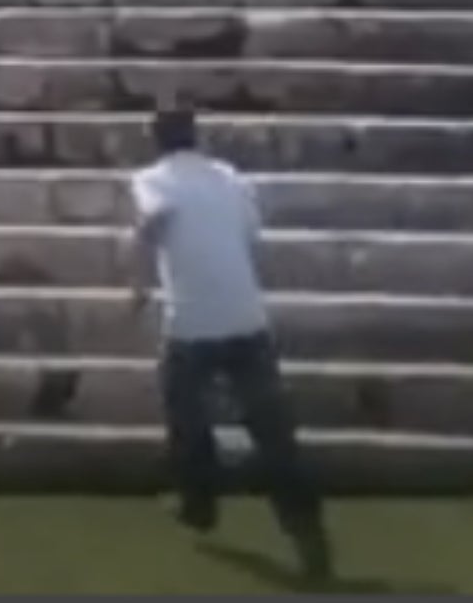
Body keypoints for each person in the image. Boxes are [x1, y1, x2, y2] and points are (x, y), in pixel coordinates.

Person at [130, 105, 333, 586]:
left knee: (185, 411)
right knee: (272, 431)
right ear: (195, 137)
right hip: (245, 314)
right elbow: (251, 236)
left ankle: (199, 503)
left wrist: (137, 283)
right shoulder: (230, 178)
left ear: (156, 140)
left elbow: (153, 223)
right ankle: (306, 527)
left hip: (193, 318)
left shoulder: (153, 179)